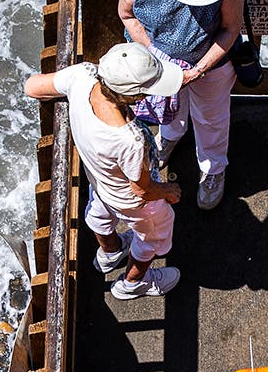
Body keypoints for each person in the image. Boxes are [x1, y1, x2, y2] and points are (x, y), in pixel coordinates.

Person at [24, 42, 184, 300]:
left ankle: (110, 252)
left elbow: (32, 87)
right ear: (135, 97)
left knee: (100, 213)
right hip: (132, 201)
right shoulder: (130, 140)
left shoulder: (83, 76)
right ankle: (134, 283)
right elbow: (142, 189)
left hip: (99, 181)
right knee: (154, 234)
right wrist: (167, 190)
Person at [119, 0, 246, 211]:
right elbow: (127, 15)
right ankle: (170, 138)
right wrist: (156, 57)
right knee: (168, 110)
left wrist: (199, 69)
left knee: (211, 118)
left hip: (211, 64)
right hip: (157, 62)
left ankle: (214, 168)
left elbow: (231, 28)